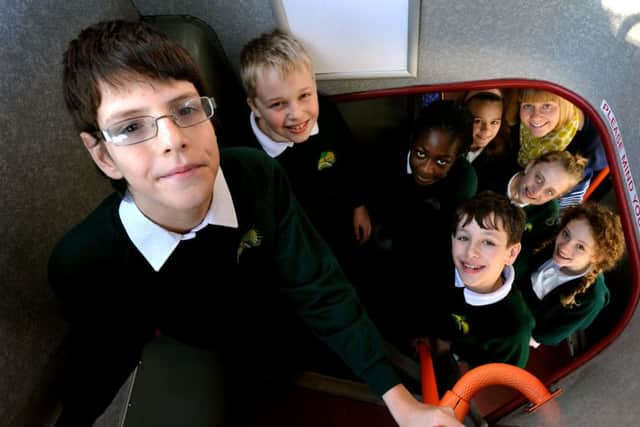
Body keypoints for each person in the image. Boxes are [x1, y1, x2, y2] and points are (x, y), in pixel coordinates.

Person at [49, 20, 462, 427]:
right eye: (131, 126)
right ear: (103, 155)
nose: (171, 139)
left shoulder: (256, 175)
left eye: (185, 109)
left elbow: (319, 286)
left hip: (275, 319)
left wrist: (399, 400)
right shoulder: (83, 263)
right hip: (208, 344)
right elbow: (100, 360)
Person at [239, 30, 372, 274]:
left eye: (304, 96)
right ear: (254, 106)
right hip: (289, 242)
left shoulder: (328, 114)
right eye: (278, 104)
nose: (297, 114)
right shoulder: (242, 149)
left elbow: (351, 159)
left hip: (336, 222)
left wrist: (359, 206)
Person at [440, 191, 534, 369]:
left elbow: (497, 386)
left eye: (488, 242)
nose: (470, 252)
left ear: (511, 253)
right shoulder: (443, 266)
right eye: (463, 238)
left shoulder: (514, 329)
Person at [515, 202, 625, 347]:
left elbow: (548, 335)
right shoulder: (549, 238)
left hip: (523, 331)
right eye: (566, 234)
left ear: (597, 257)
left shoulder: (591, 298)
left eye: (580, 247)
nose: (564, 248)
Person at [506, 88, 607, 207]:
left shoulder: (594, 142)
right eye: (528, 105)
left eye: (546, 106)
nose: (535, 117)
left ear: (565, 104)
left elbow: (569, 198)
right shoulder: (518, 120)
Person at [484, 150, 587, 253]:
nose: (536, 191)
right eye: (538, 178)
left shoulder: (548, 215)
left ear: (558, 196)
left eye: (550, 192)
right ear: (530, 165)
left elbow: (525, 251)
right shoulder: (494, 167)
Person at [460, 89, 514, 192]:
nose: (486, 130)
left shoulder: (503, 156)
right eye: (477, 121)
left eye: (494, 122)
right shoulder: (448, 143)